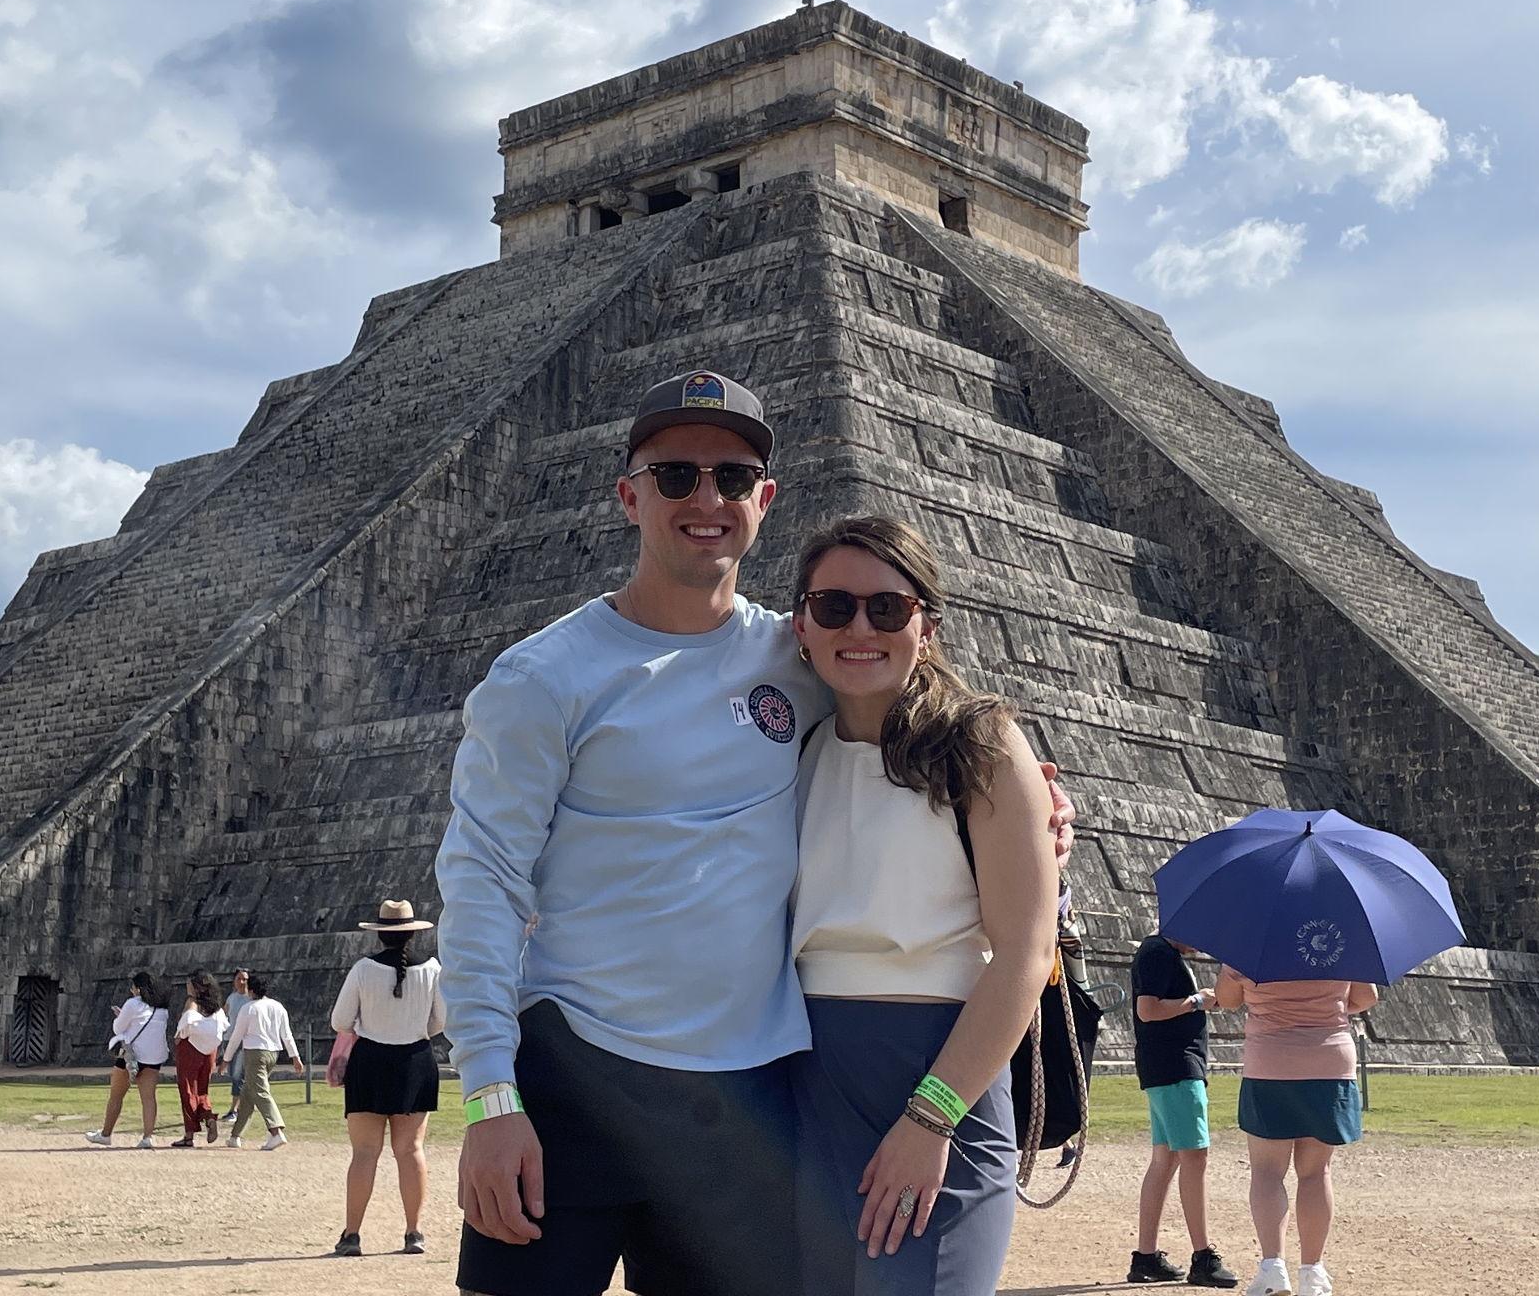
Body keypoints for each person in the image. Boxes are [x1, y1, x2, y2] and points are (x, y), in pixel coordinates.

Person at [437, 369, 1076, 1296]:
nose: (707, 499)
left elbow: (919, 705)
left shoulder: (803, 651)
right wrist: (491, 1097)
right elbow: (483, 881)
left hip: (748, 1099)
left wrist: (1036, 803)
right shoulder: (545, 678)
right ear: (629, 495)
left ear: (764, 500)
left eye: (733, 478)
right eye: (676, 475)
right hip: (575, 1073)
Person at [787, 515, 1056, 1293]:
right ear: (802, 624)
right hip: (807, 1082)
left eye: (888, 608)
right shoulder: (790, 746)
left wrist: (931, 1116)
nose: (859, 626)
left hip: (940, 1069)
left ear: (927, 624)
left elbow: (1025, 954)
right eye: (834, 607)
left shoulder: (980, 742)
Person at [1212, 964, 1381, 1296]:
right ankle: (1312, 1272)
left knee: (1267, 1172)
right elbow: (1365, 996)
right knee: (1316, 1172)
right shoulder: (1340, 935)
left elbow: (1227, 1000)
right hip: (1329, 1060)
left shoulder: (1252, 935)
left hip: (1270, 1061)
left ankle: (1273, 1267)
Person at [327, 898, 447, 1259]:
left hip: (371, 1061)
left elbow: (340, 1021)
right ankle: (413, 1232)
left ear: (380, 934)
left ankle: (352, 1234)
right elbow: (440, 1021)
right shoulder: (432, 969)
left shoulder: (363, 970)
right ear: (412, 933)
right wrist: (413, 1029)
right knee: (410, 1151)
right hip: (415, 1059)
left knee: (365, 1152)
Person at [1126, 932, 1237, 1286]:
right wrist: (1195, 1001)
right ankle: (1202, 1256)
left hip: (1164, 1068)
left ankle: (1146, 1256)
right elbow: (1148, 1009)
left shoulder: (1158, 953)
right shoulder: (1159, 953)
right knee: (1194, 1156)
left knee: (1167, 1159)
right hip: (1176, 1067)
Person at [86, 971, 169, 1149]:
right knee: (148, 1098)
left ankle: (106, 1134)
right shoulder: (161, 1008)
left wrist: (121, 1016)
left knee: (116, 1095)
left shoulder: (133, 1004)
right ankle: (147, 1137)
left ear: (137, 989)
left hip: (132, 1055)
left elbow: (118, 1028)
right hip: (153, 1057)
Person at [221, 972, 302, 1150]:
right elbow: (286, 1035)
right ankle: (235, 1136)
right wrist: (294, 1056)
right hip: (273, 1053)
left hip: (254, 1054)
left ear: (251, 990)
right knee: (248, 1093)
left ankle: (276, 1131)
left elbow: (236, 1036)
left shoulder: (248, 1008)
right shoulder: (278, 1006)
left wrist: (226, 1059)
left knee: (260, 1091)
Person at [171, 971, 228, 1148]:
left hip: (190, 1048)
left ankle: (189, 1133)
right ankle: (209, 1117)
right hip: (210, 1049)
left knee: (187, 1088)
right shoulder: (215, 1006)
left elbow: (187, 1021)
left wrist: (179, 1036)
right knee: (202, 1088)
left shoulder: (192, 1002)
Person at [220, 968, 251, 1124]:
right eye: (239, 978)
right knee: (234, 1075)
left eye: (244, 979)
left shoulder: (251, 1000)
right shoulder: (231, 998)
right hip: (229, 1040)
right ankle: (238, 1109)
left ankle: (235, 1110)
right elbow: (223, 1016)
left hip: (244, 1042)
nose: (242, 982)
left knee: (238, 1076)